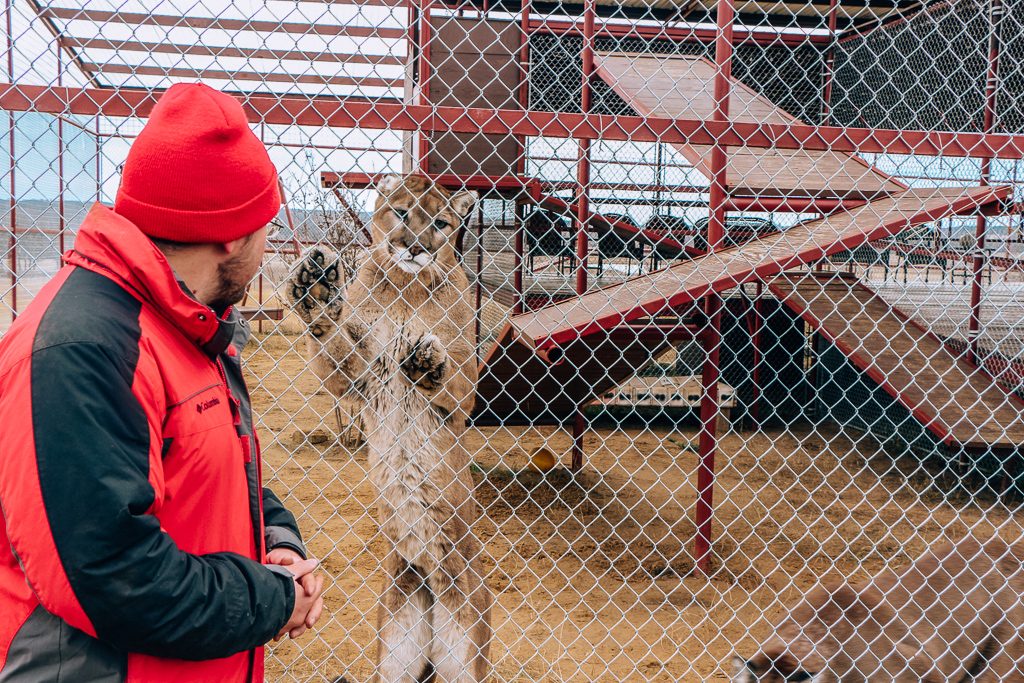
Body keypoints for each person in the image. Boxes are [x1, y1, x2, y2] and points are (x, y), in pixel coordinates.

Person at [0, 82, 323, 681]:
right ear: (231, 233)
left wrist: (275, 537)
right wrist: (274, 598)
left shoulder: (182, 323)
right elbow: (115, 576)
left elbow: (207, 470)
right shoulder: (87, 349)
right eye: (267, 224)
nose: (269, 242)